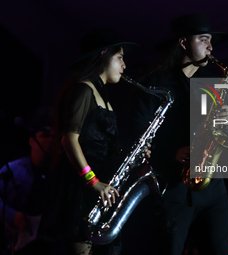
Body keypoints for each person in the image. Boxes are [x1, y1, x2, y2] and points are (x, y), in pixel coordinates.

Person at [38, 29, 150, 255]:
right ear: (102, 57)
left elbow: (99, 143)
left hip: (100, 186)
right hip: (82, 187)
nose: (124, 65)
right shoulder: (83, 88)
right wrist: (92, 180)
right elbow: (69, 139)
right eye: (119, 57)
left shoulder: (102, 95)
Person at [132, 14, 228, 255]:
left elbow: (223, 133)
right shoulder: (155, 82)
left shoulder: (213, 80)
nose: (210, 46)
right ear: (183, 42)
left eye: (211, 40)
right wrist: (168, 152)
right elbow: (136, 133)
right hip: (173, 191)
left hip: (213, 190)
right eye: (203, 39)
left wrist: (227, 121)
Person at [0, 111, 54, 255]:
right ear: (31, 140)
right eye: (44, 136)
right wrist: (12, 216)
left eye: (54, 137)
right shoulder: (13, 170)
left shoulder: (60, 175)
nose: (49, 141)